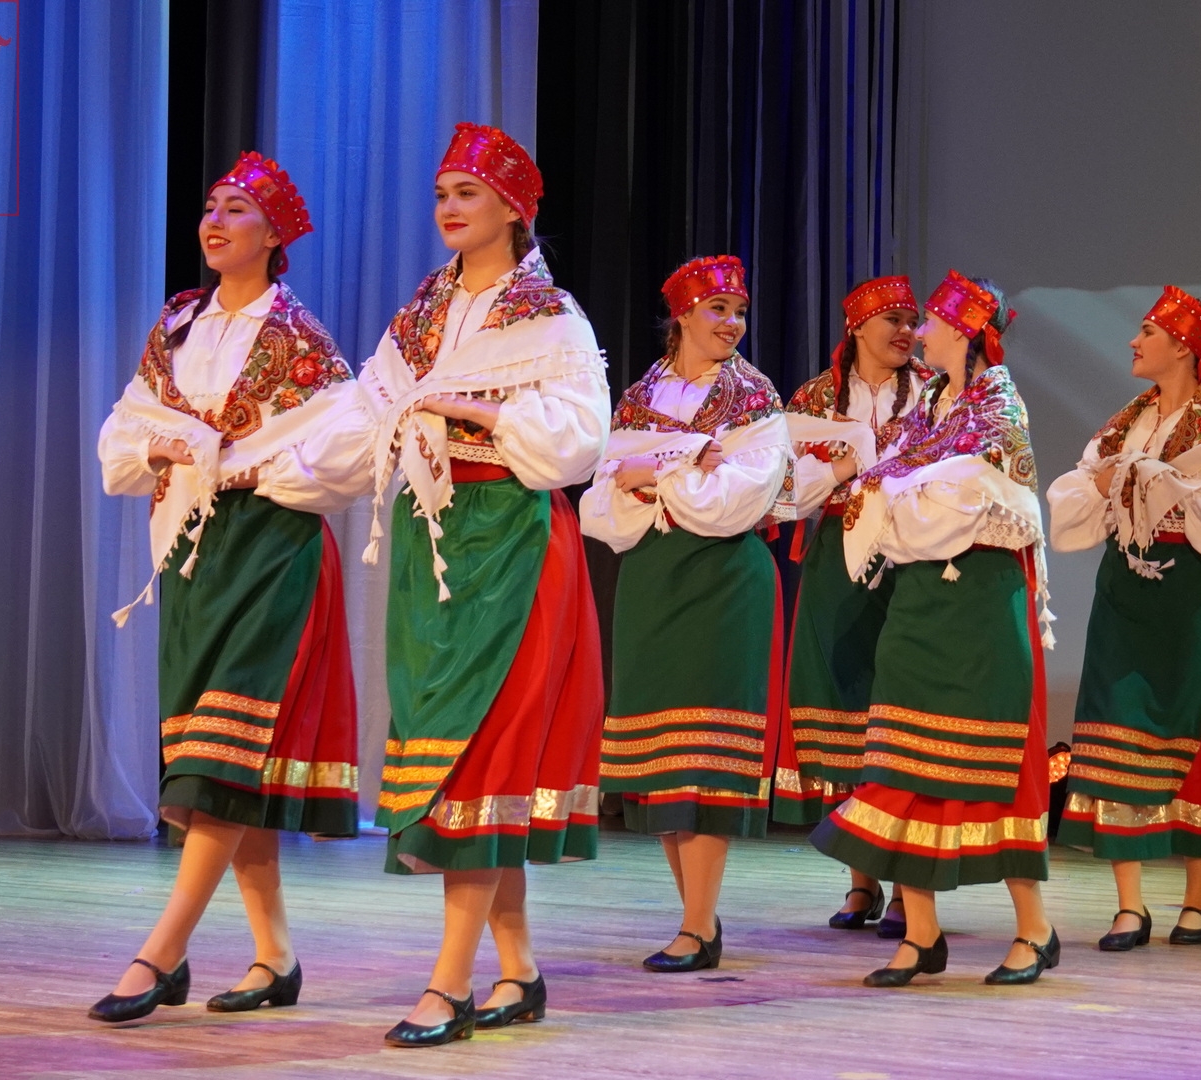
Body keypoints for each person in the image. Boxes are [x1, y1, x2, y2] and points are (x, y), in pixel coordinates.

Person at [91, 153, 370, 1022]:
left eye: (237, 208)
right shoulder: (179, 324)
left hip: (271, 547)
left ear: (273, 233)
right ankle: (274, 956)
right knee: (218, 758)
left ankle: (160, 952)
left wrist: (247, 463)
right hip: (191, 548)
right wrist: (163, 448)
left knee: (220, 756)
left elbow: (346, 450)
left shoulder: (299, 339)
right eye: (210, 206)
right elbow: (124, 431)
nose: (214, 221)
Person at [358, 124, 610, 1048]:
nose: (448, 207)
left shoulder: (552, 316)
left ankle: (448, 986)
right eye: (441, 193)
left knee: (482, 755)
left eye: (466, 192)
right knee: (455, 751)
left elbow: (577, 439)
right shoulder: (421, 315)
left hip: (514, 539)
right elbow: (369, 404)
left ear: (512, 207)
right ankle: (520, 970)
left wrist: (469, 407)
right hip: (436, 540)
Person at [810, 271, 1061, 987]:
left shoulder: (998, 405)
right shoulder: (928, 403)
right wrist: (903, 494)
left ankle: (1035, 929)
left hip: (977, 603)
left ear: (963, 332)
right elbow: (899, 492)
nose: (921, 333)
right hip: (918, 601)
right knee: (900, 763)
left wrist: (898, 495)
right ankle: (921, 933)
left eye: (934, 323)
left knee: (990, 767)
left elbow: (961, 502)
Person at [580, 255, 791, 973]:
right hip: (652, 578)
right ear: (682, 315)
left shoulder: (752, 396)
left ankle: (698, 925)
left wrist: (652, 476)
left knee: (704, 756)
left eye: (739, 311)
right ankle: (697, 918)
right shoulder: (641, 397)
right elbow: (600, 509)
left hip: (722, 579)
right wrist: (679, 469)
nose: (732, 323)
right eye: (717, 310)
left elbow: (737, 500)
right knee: (662, 759)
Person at [1047, 286, 1201, 950]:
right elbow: (1079, 487)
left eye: (1146, 331)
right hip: (1126, 589)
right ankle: (1129, 906)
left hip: (1194, 594)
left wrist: (1165, 486)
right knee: (1117, 726)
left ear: (1182, 346)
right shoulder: (1126, 424)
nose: (1133, 341)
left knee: (1198, 733)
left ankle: (1197, 901)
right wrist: (1119, 482)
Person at [773, 276, 932, 936]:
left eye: (911, 320)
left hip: (908, 558)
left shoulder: (932, 392)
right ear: (857, 325)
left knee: (900, 710)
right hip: (836, 561)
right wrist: (836, 469)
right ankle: (861, 879)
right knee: (842, 703)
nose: (906, 331)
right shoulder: (814, 399)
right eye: (892, 319)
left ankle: (908, 886)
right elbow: (785, 489)